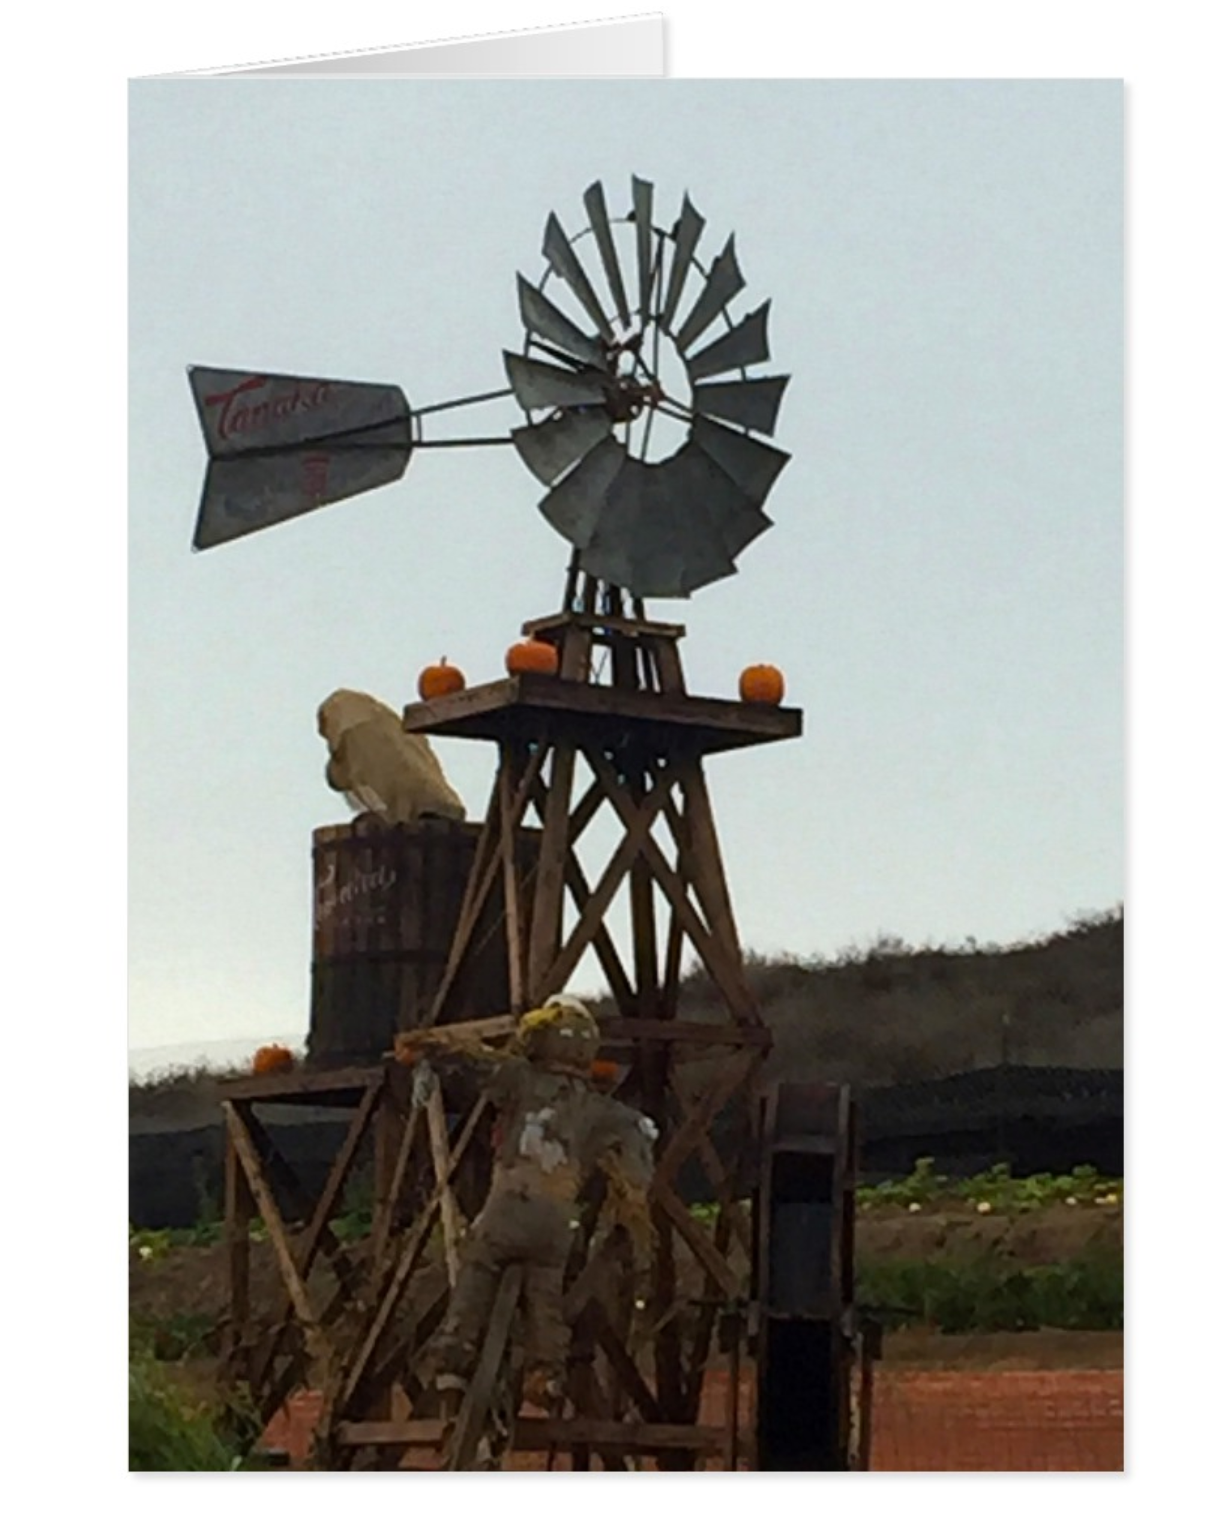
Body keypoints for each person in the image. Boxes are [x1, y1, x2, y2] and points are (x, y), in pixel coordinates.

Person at [396, 995, 657, 1412]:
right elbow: (636, 1148)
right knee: (546, 1290)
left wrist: (426, 1049)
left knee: (478, 1263)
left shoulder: (520, 1079)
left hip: (510, 1204)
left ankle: (452, 1357)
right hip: (556, 1221)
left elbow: (473, 1063)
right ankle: (546, 1373)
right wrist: (632, 1199)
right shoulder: (600, 1109)